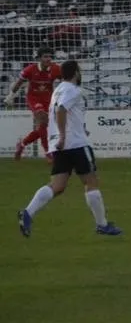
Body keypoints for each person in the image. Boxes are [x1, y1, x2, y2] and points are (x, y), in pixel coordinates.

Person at [17, 60, 122, 237]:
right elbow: (61, 110)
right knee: (91, 182)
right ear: (75, 73)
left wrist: (71, 132)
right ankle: (102, 225)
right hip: (75, 144)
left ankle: (28, 212)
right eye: (79, 71)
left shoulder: (58, 90)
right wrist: (64, 136)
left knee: (57, 185)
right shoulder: (73, 90)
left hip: (59, 145)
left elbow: (63, 113)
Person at [6, 48, 61, 162]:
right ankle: (48, 153)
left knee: (43, 127)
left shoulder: (55, 69)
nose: (48, 59)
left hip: (49, 100)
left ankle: (22, 144)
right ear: (39, 58)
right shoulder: (30, 69)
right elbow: (18, 84)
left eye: (50, 56)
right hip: (34, 99)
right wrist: (9, 97)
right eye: (45, 56)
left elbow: (65, 80)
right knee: (42, 119)